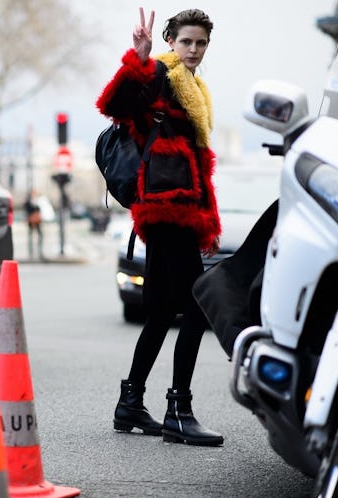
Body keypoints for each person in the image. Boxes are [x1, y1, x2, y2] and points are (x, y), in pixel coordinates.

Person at [95, 7, 223, 446]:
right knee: (199, 303)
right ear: (171, 41)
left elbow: (197, 166)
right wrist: (139, 58)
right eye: (186, 41)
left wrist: (208, 219)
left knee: (164, 310)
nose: (193, 49)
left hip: (181, 212)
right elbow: (115, 106)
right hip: (166, 212)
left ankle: (130, 404)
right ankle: (179, 411)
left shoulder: (195, 88)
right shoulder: (161, 77)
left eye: (200, 42)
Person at [24, 188, 44, 260]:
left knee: (40, 235)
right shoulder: (28, 202)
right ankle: (31, 252)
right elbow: (27, 210)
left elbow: (40, 210)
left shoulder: (38, 201)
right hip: (31, 221)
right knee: (30, 236)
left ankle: (40, 251)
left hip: (37, 221)